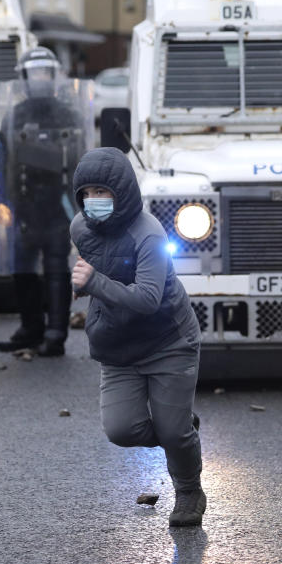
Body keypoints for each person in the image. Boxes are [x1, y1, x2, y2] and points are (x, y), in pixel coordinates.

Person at [70, 147, 205, 527]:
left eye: (103, 192)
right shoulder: (79, 227)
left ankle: (189, 490)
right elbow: (87, 267)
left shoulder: (148, 234)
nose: (94, 201)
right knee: (121, 430)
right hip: (118, 346)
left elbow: (148, 299)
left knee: (173, 433)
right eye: (87, 193)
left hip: (168, 342)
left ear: (123, 193)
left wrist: (95, 282)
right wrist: (81, 284)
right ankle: (179, 431)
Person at [0, 47, 83, 357]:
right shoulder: (14, 115)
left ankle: (56, 333)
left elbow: (79, 161)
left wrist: (77, 205)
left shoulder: (68, 114)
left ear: (54, 76)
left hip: (58, 205)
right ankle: (30, 327)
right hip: (24, 204)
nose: (40, 79)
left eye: (45, 73)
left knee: (57, 270)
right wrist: (5, 199)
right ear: (24, 78)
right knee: (22, 269)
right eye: (35, 73)